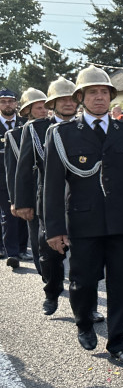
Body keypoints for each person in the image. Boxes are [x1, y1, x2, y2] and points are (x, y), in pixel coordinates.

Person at [43, 66, 123, 364]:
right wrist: (54, 229)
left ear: (111, 96)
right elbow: (52, 187)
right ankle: (83, 321)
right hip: (83, 221)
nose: (99, 97)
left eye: (104, 92)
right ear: (80, 97)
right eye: (92, 92)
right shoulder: (63, 134)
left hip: (121, 221)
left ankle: (119, 340)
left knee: (122, 282)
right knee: (83, 280)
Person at [14, 77, 79, 316]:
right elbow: (23, 167)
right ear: (51, 103)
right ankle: (52, 293)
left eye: (72, 98)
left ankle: (86, 305)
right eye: (61, 99)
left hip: (80, 202)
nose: (68, 103)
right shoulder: (36, 128)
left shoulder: (87, 126)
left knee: (85, 258)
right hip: (49, 202)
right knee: (50, 256)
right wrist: (22, 202)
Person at [5, 88, 47, 272]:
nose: (44, 111)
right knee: (37, 237)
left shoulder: (54, 129)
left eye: (46, 107)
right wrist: (16, 201)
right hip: (29, 191)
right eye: (39, 108)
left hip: (51, 190)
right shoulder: (15, 134)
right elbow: (13, 170)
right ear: (28, 110)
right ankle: (43, 271)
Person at [0, 87, 29, 268]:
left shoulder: (25, 124)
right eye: (3, 101)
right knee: (9, 216)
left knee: (24, 214)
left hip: (23, 178)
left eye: (10, 101)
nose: (7, 104)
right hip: (1, 179)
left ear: (16, 103)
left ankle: (21, 248)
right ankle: (12, 252)